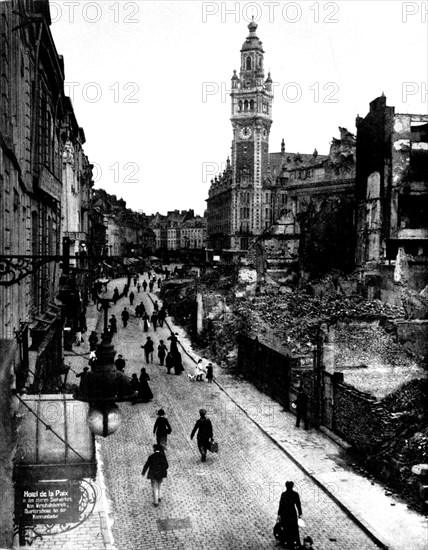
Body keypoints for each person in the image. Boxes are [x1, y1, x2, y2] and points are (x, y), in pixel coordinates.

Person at [277, 481, 302, 549]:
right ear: (292, 486)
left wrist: (279, 514)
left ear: (286, 486)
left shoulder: (284, 494)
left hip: (284, 514)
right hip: (292, 513)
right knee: (294, 528)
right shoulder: (295, 494)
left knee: (286, 528)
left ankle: (286, 542)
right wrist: (300, 513)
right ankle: (295, 542)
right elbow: (298, 504)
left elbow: (281, 505)